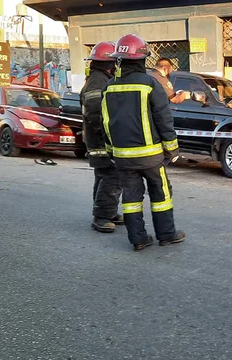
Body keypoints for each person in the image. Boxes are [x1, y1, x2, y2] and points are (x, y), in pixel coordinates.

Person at [101, 34, 186, 252]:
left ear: (119, 60)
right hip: (151, 157)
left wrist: (111, 151)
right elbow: (163, 118)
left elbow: (106, 122)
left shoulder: (109, 87)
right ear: (141, 59)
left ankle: (138, 239)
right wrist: (172, 148)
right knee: (161, 194)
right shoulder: (149, 83)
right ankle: (166, 235)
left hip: (122, 157)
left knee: (131, 199)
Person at [80, 41, 124, 233]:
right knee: (111, 177)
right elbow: (95, 111)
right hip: (101, 141)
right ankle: (102, 217)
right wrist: (108, 133)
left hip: (97, 140)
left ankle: (107, 211)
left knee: (103, 176)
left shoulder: (97, 79)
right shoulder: (98, 81)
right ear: (110, 63)